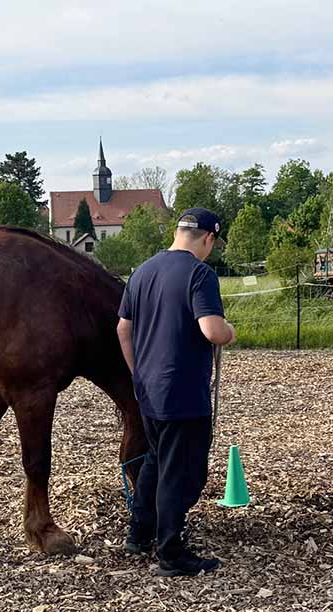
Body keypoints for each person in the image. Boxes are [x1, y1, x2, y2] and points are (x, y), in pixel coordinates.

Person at [116, 208, 236, 577]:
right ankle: (171, 551)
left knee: (156, 460)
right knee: (180, 471)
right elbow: (212, 330)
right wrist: (230, 331)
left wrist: (138, 373)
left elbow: (123, 329)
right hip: (182, 391)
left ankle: (139, 533)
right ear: (208, 238)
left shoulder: (142, 271)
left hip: (149, 390)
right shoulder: (200, 274)